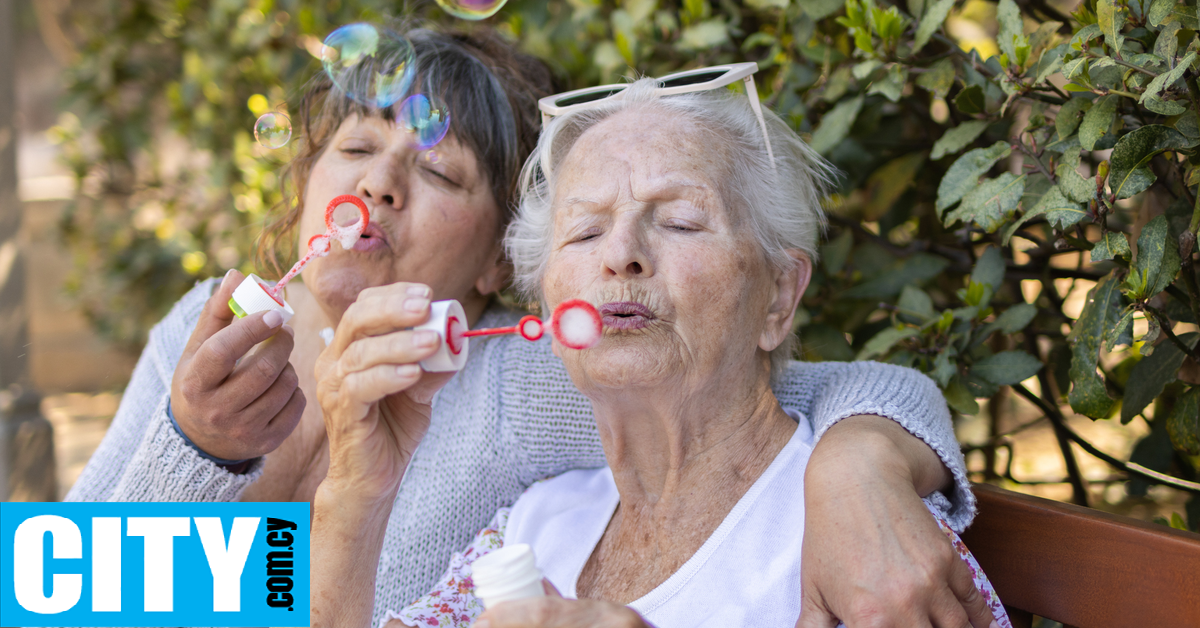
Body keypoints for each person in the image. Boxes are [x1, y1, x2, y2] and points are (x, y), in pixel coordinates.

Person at [67, 26, 990, 628]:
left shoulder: (510, 377)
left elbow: (779, 390)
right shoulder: (210, 326)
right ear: (308, 181)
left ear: (498, 263)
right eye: (355, 148)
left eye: (441, 173)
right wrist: (199, 447)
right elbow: (62, 590)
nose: (378, 183)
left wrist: (855, 466)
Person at [311, 73, 1010, 628]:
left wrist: (862, 457)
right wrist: (350, 492)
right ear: (546, 302)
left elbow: (863, 389)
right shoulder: (534, 522)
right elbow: (206, 597)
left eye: (679, 221)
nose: (620, 255)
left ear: (778, 296)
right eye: (584, 234)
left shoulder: (859, 543)